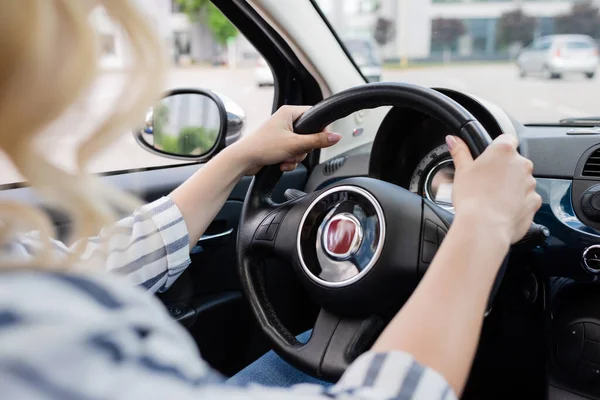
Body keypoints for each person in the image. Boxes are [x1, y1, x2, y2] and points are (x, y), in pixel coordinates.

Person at [0, 1, 541, 399]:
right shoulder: (37, 340)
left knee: (308, 343)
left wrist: (238, 158)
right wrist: (480, 224)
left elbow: (98, 265)